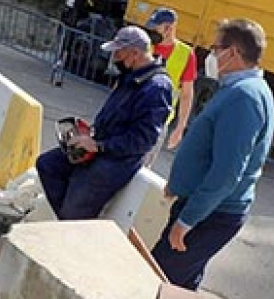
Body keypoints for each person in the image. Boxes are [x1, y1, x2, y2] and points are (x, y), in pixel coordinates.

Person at [151, 18, 274, 291]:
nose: (211, 55)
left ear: (232, 53)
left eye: (215, 48)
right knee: (178, 288)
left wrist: (187, 221)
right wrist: (180, 185)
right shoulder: (241, 91)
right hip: (208, 211)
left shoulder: (244, 98)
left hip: (211, 215)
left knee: (156, 282)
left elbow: (227, 172)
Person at [36, 26, 173, 220]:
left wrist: (99, 146)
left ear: (135, 53)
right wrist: (90, 133)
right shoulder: (132, 76)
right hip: (101, 145)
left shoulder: (156, 88)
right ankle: (71, 222)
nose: (115, 58)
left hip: (118, 160)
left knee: (75, 205)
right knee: (48, 164)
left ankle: (74, 225)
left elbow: (143, 141)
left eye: (119, 53)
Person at [146, 7, 197, 152]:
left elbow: (186, 94)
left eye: (156, 27)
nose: (153, 31)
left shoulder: (185, 54)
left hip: (157, 122)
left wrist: (180, 127)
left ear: (169, 28)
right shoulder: (145, 45)